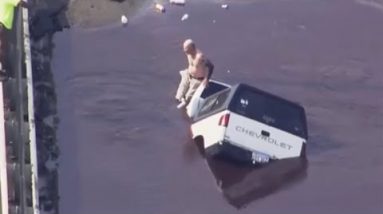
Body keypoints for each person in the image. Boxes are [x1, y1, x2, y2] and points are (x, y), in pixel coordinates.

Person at [175, 39, 214, 108]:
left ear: (192, 48)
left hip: (197, 80)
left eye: (186, 48)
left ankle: (185, 103)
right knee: (179, 96)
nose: (184, 50)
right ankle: (181, 97)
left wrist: (206, 79)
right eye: (184, 48)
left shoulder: (200, 57)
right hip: (188, 75)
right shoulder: (188, 53)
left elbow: (211, 66)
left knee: (187, 99)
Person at [0, 0, 27, 78]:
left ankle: (5, 71)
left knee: (3, 48)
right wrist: (33, 5)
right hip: (2, 24)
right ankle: (4, 72)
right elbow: (21, 3)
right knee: (2, 48)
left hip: (2, 24)